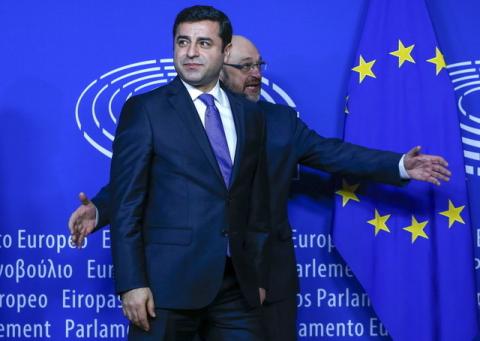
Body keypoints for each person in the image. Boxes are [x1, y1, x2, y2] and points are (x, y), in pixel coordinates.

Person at [69, 36, 451, 340]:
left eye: (259, 65)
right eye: (245, 66)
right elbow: (139, 182)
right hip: (182, 280)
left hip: (263, 278)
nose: (255, 74)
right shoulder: (168, 116)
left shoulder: (279, 121)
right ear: (219, 68)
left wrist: (399, 164)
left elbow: (333, 153)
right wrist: (99, 211)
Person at [103, 6, 271, 340]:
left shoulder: (249, 115)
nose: (191, 52)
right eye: (183, 42)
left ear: (225, 52)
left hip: (237, 286)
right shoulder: (145, 110)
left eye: (204, 43)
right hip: (166, 290)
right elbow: (126, 203)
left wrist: (259, 274)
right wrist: (132, 282)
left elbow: (255, 199)